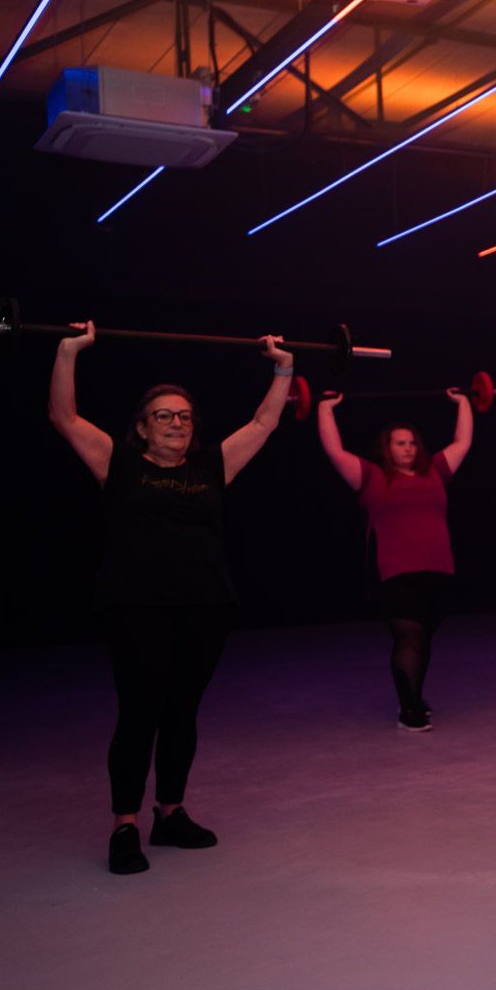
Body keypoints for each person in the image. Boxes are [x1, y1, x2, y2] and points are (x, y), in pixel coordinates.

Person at [48, 321, 295, 874]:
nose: (177, 424)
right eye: (164, 415)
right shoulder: (119, 463)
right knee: (140, 714)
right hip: (135, 606)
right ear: (141, 427)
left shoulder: (213, 466)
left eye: (184, 416)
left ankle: (171, 813)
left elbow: (264, 421)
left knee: (183, 713)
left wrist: (282, 367)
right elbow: (64, 417)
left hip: (205, 605)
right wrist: (69, 352)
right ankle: (125, 826)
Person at [315, 386, 472, 732]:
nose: (407, 448)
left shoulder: (435, 472)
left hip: (438, 570)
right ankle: (409, 709)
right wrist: (325, 409)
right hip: (395, 572)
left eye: (412, 442)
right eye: (400, 443)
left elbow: (462, 442)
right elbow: (334, 450)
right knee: (409, 636)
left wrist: (463, 403)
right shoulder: (371, 477)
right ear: (387, 448)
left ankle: (414, 696)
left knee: (424, 636)